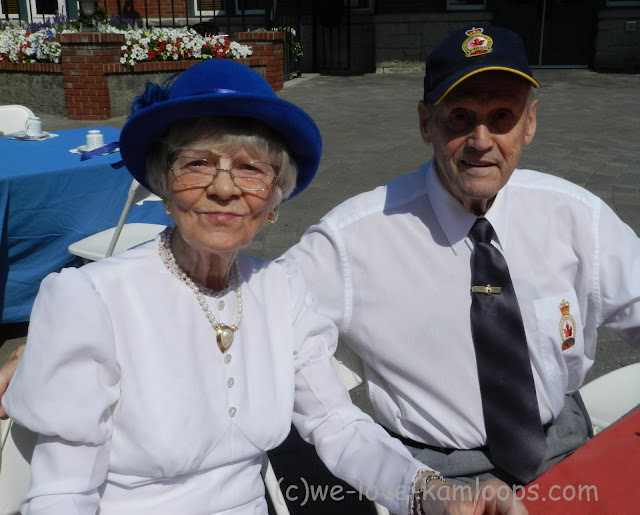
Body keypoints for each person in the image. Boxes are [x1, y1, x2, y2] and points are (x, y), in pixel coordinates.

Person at [0, 59, 523, 514]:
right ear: (162, 181)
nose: (224, 188)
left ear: (273, 201)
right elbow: (62, 494)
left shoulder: (282, 291)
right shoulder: (91, 300)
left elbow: (338, 425)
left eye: (251, 170)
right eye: (197, 163)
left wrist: (429, 493)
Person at [281, 25, 640, 487]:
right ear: (425, 122)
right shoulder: (353, 239)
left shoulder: (576, 217)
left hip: (565, 449)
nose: (481, 139)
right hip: (437, 476)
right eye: (460, 117)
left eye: (502, 116)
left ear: (530, 123)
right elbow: (265, 323)